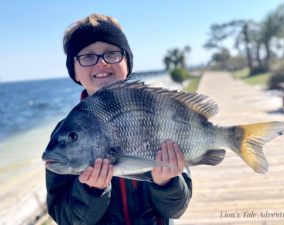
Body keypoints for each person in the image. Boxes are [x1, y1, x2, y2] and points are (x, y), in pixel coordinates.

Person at [45, 13, 192, 225]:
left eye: (111, 53)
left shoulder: (160, 112)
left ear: (127, 62)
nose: (101, 63)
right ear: (74, 71)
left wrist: (167, 183)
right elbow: (65, 218)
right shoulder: (65, 134)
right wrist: (90, 191)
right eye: (87, 56)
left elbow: (177, 209)